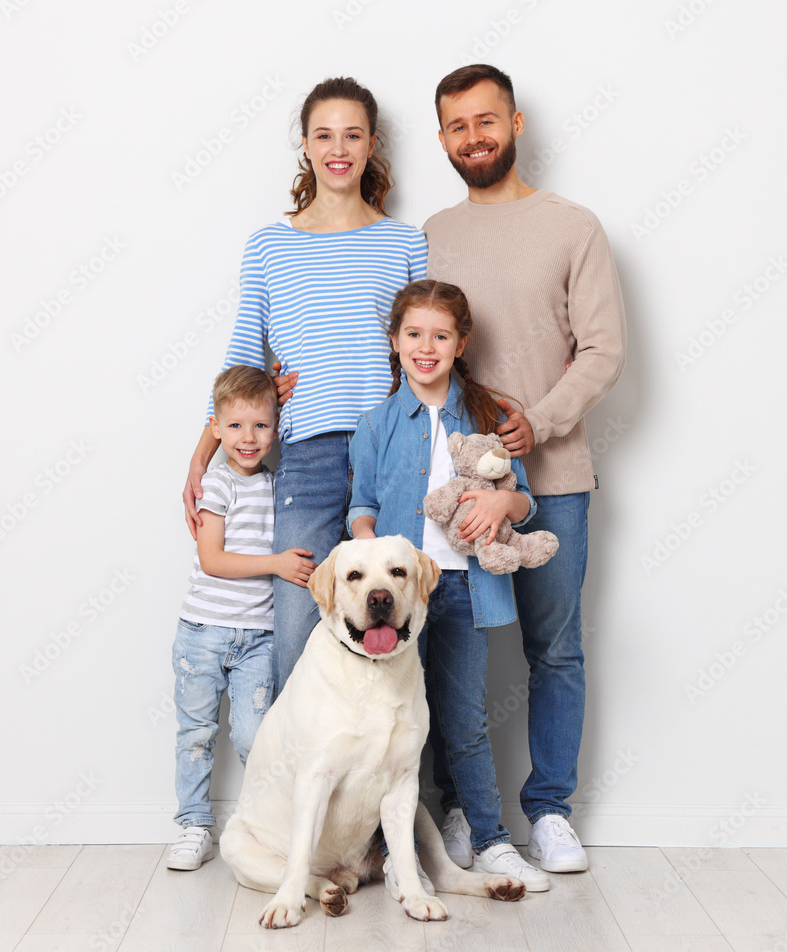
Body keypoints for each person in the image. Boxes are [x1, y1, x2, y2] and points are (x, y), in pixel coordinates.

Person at [423, 64, 626, 873]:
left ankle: (548, 810)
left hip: (556, 478)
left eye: (486, 120)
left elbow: (605, 349)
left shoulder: (573, 225)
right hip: (450, 488)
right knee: (444, 643)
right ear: (442, 138)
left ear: (514, 123)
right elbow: (415, 346)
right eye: (456, 126)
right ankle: (464, 812)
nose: (473, 137)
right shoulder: (431, 234)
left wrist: (534, 423)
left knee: (554, 649)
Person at [183, 77, 427, 693]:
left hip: (392, 453)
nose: (338, 147)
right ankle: (292, 786)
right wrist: (201, 456)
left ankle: (408, 788)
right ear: (306, 145)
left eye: (352, 134)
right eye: (324, 134)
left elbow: (429, 349)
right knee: (294, 636)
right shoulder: (269, 245)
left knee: (410, 629)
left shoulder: (405, 241)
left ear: (372, 144)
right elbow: (242, 364)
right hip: (308, 459)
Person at [348, 279, 550, 892]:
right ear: (395, 341)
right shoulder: (377, 423)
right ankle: (386, 848)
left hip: (462, 592)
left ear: (461, 344)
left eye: (440, 335)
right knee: (386, 724)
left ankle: (490, 842)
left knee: (462, 720)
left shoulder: (487, 417)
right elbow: (362, 506)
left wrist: (502, 501)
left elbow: (526, 502)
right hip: (395, 604)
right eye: (414, 335)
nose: (426, 347)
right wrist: (367, 553)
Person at [167, 366, 315, 871]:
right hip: (203, 635)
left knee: (257, 736)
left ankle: (264, 826)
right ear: (215, 428)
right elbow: (213, 560)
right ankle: (193, 823)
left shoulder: (279, 487)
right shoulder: (216, 483)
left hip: (259, 640)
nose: (248, 438)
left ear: (277, 428)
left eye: (260, 426)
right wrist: (276, 564)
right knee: (196, 733)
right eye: (234, 427)